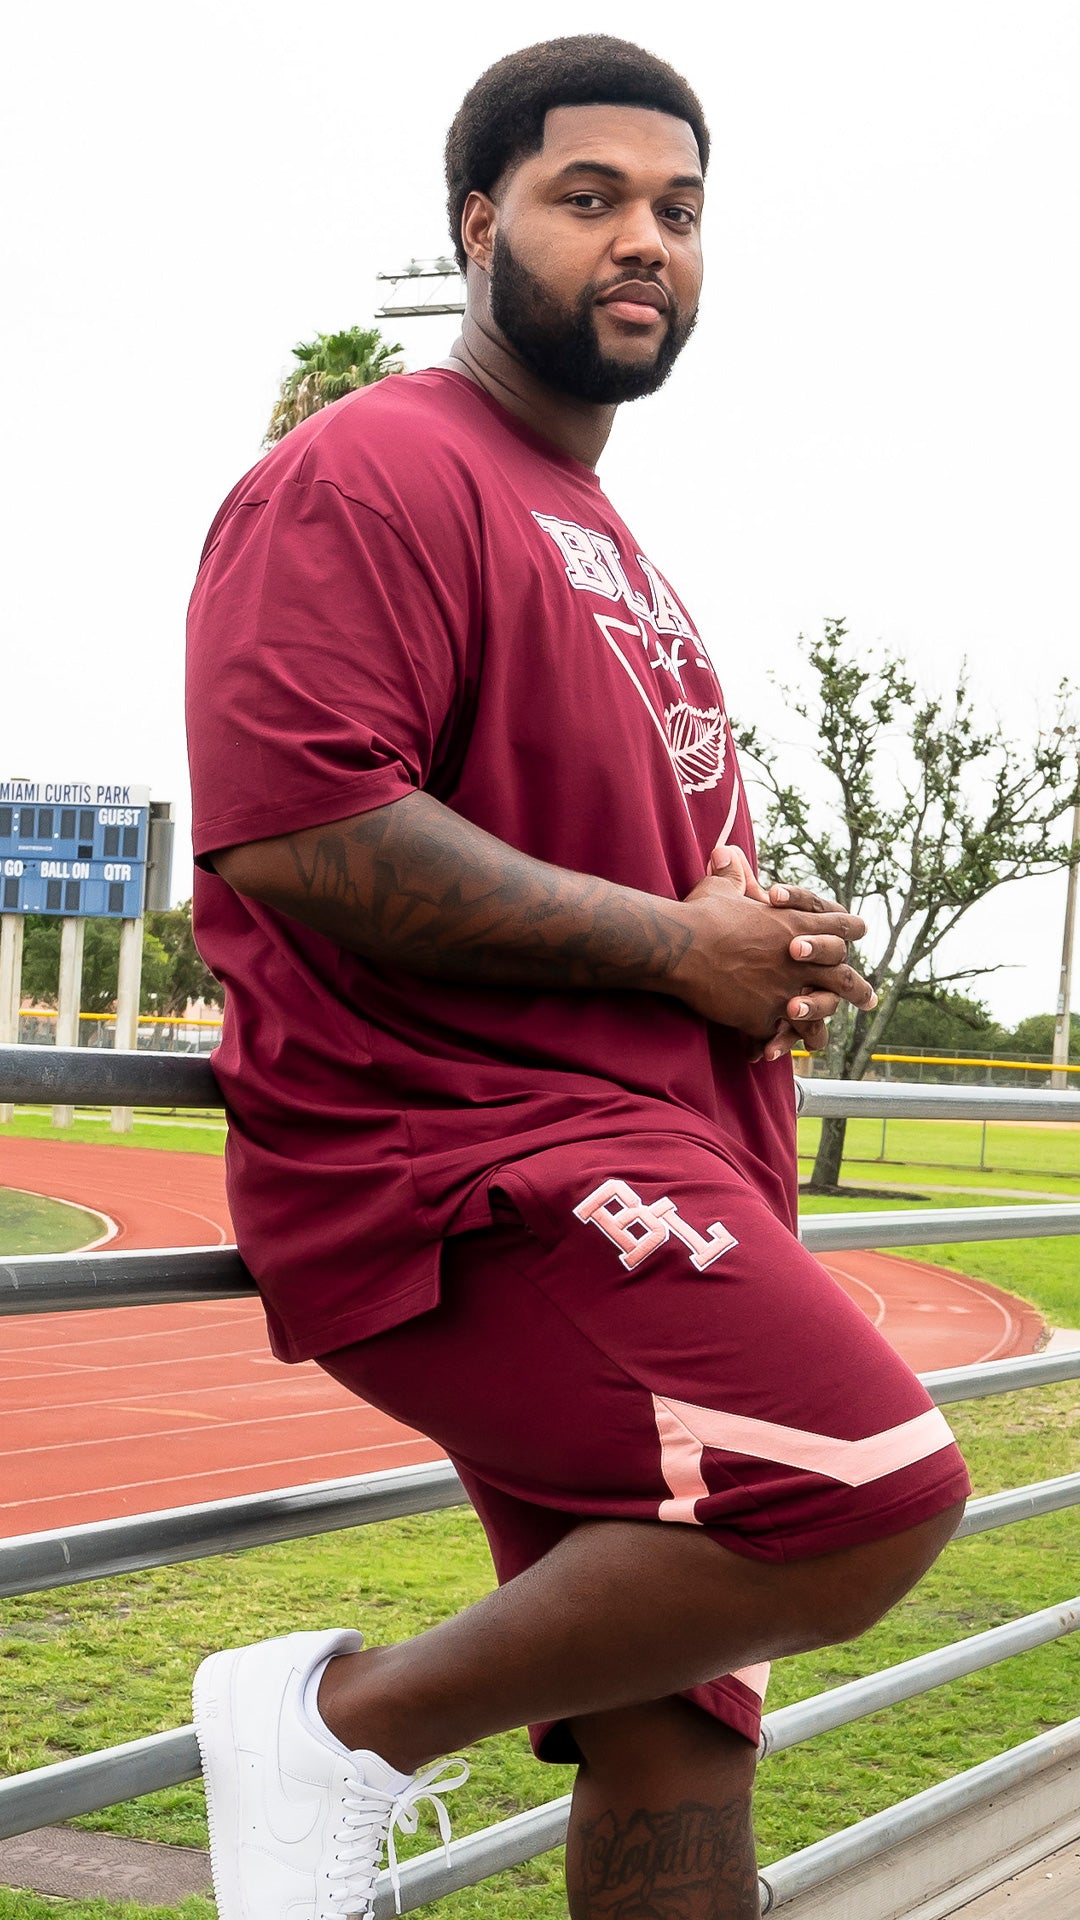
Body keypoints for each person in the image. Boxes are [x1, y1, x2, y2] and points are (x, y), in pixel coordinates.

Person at [185, 34, 970, 1920]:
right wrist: (674, 948)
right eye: (591, 196)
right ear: (479, 226)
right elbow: (300, 829)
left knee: (673, 1740)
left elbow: (644, 886)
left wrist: (751, 961)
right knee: (869, 1488)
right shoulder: (369, 470)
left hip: (650, 1157)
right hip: (472, 1173)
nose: (647, 243)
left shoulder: (608, 540)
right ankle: (334, 1724)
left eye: (681, 213)